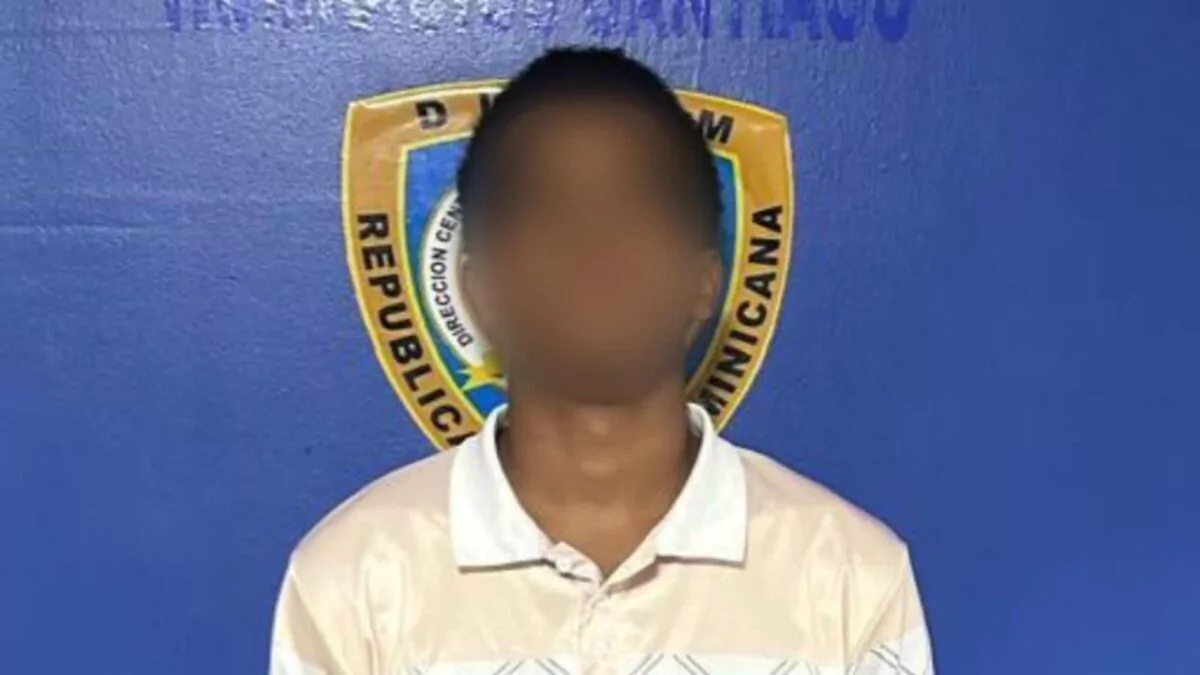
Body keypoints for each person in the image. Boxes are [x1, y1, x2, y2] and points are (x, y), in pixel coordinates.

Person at [270, 47, 934, 675]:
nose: (593, 244)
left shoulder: (845, 574)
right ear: (481, 289)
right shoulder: (356, 576)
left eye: (634, 205)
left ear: (704, 282)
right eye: (548, 207)